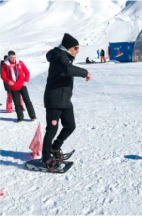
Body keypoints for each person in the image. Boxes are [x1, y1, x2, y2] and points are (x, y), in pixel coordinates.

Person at [41, 33, 92, 170]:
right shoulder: (58, 56)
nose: (77, 51)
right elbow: (67, 69)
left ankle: (55, 147)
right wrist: (85, 72)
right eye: (76, 48)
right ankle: (45, 157)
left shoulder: (65, 57)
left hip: (64, 99)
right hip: (54, 99)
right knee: (51, 129)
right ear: (68, 48)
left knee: (70, 126)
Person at [2, 51, 37, 122]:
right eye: (12, 57)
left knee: (27, 100)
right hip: (13, 87)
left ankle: (32, 115)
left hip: (22, 85)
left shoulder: (20, 62)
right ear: (9, 57)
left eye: (15, 57)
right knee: (17, 103)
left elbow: (27, 72)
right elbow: (3, 76)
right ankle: (20, 117)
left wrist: (26, 81)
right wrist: (8, 81)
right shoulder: (5, 65)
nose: (14, 59)